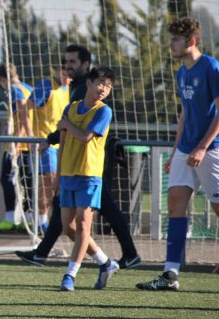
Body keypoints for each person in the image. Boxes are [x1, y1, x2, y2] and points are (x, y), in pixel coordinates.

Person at [16, 44, 141, 269]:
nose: (67, 66)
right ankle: (45, 253)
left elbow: (73, 126)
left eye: (72, 62)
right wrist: (56, 138)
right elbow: (69, 123)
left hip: (89, 163)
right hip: (77, 162)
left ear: (85, 65)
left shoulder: (87, 90)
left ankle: (60, 260)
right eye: (65, 62)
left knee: (98, 212)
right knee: (73, 213)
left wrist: (52, 138)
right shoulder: (76, 90)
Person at [137, 17, 219, 291]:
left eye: (175, 40)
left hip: (214, 149)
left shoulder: (211, 67)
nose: (171, 44)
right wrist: (175, 152)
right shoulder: (182, 70)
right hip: (185, 150)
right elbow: (184, 114)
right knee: (175, 204)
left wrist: (203, 147)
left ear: (191, 41)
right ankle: (170, 275)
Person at [56, 66, 119, 291]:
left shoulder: (104, 112)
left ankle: (69, 275)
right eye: (101, 83)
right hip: (68, 174)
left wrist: (65, 125)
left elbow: (84, 137)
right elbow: (63, 143)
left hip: (90, 175)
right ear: (89, 83)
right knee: (68, 228)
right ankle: (105, 262)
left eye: (109, 86)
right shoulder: (70, 108)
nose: (104, 89)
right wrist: (57, 175)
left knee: (83, 225)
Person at [27, 64, 71, 234]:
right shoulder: (46, 86)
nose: (66, 78)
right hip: (46, 143)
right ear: (59, 71)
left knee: (60, 184)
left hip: (65, 144)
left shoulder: (70, 90)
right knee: (49, 182)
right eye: (64, 73)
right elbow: (27, 107)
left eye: (69, 75)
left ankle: (56, 220)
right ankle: (42, 221)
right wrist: (30, 134)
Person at [0, 63, 34, 232]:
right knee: (27, 181)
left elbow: (24, 114)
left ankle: (10, 219)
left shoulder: (15, 90)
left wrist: (16, 141)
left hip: (19, 144)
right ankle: (28, 219)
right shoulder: (27, 87)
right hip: (28, 143)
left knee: (6, 179)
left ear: (2, 79)